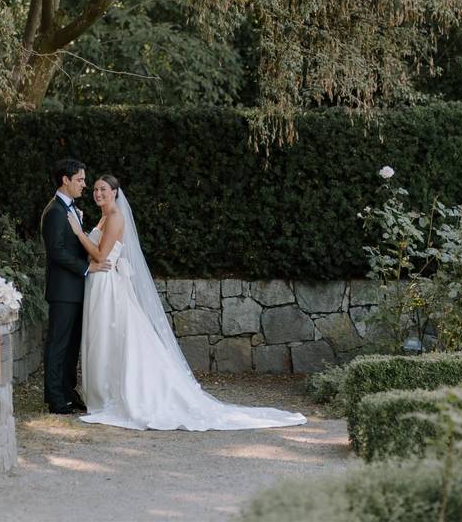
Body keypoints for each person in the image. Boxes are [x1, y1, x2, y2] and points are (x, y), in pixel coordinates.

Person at [66, 175, 307, 431]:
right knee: (103, 338)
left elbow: (101, 254)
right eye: (95, 189)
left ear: (115, 192)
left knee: (112, 337)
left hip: (108, 284)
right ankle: (103, 394)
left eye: (103, 189)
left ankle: (119, 395)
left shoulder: (115, 216)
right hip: (99, 282)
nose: (97, 193)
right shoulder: (104, 217)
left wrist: (79, 233)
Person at [40, 159, 112, 415]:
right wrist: (87, 267)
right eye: (80, 179)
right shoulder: (54, 211)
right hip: (63, 290)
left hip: (76, 289)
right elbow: (57, 251)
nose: (84, 184)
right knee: (58, 344)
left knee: (72, 346)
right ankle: (55, 398)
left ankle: (69, 392)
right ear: (65, 180)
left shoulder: (70, 209)